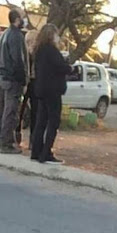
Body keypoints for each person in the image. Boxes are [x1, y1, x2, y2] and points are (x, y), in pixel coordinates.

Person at [0, 9, 29, 154]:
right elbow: (18, 59)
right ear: (17, 19)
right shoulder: (16, 36)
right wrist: (23, 79)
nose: (25, 20)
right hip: (12, 79)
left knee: (0, 110)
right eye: (23, 18)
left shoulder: (4, 34)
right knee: (10, 112)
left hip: (1, 77)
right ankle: (6, 144)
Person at [31, 24, 72, 164]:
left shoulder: (38, 50)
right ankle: (46, 152)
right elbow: (61, 67)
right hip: (53, 90)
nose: (58, 37)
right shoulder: (52, 50)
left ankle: (36, 151)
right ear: (51, 35)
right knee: (53, 121)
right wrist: (69, 67)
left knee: (41, 121)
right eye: (56, 34)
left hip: (41, 88)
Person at [17, 29, 39, 148]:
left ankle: (27, 137)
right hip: (29, 81)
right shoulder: (27, 52)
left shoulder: (34, 53)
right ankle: (23, 136)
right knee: (22, 110)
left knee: (27, 110)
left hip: (30, 82)